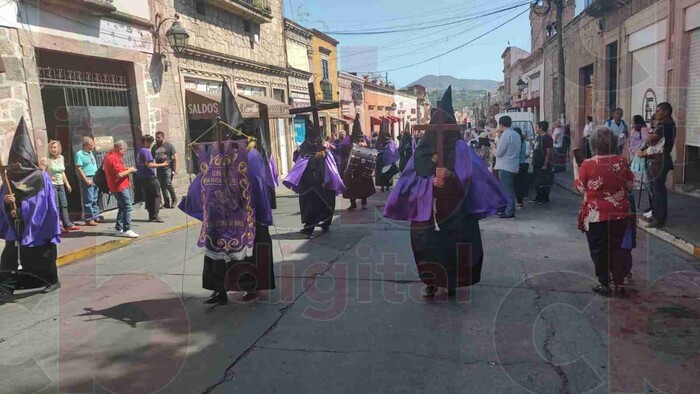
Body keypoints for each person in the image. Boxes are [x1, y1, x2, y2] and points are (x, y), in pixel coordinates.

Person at [384, 87, 508, 297]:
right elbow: (410, 180)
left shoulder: (461, 149)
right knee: (427, 247)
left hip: (456, 211)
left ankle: (452, 281)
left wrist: (451, 176)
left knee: (455, 247)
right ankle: (431, 282)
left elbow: (474, 177)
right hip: (427, 212)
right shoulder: (422, 151)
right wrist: (430, 182)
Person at [179, 136, 275, 305]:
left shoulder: (252, 156)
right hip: (220, 216)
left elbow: (257, 182)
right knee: (216, 256)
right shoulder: (217, 159)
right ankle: (219, 289)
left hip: (247, 216)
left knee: (248, 256)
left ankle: (251, 287)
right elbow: (204, 179)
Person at [0, 118, 62, 296]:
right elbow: (3, 201)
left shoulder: (41, 178)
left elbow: (45, 204)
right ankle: (5, 287)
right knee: (9, 256)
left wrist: (24, 212)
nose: (19, 163)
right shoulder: (8, 179)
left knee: (45, 255)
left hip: (39, 224)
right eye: (16, 159)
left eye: (23, 159)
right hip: (16, 224)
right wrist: (7, 200)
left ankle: (52, 281)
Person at [573, 126, 634, 296]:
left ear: (592, 144)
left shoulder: (588, 164)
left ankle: (604, 283)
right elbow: (630, 185)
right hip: (619, 213)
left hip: (596, 214)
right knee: (617, 248)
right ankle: (620, 283)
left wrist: (575, 168)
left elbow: (580, 188)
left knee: (598, 249)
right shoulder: (622, 161)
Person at [283, 118, 345, 237]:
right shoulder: (310, 146)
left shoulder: (320, 147)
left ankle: (319, 225)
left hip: (320, 180)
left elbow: (325, 162)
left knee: (319, 203)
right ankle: (312, 227)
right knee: (313, 204)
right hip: (310, 181)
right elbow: (300, 160)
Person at [637, 102, 675, 228]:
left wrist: (651, 133)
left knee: (658, 190)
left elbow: (649, 140)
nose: (656, 113)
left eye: (659, 111)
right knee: (654, 189)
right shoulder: (664, 125)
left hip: (659, 160)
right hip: (656, 159)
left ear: (666, 112)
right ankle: (655, 214)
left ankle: (659, 218)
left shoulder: (665, 126)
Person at [103, 141, 139, 238]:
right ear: (120, 149)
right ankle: (127, 229)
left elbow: (118, 170)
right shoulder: (113, 158)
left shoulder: (108, 156)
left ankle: (118, 228)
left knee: (122, 206)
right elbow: (119, 174)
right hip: (119, 187)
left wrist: (127, 168)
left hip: (115, 186)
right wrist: (130, 170)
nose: (125, 153)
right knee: (127, 206)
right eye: (125, 151)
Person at [340, 114, 376, 210]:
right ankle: (353, 203)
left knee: (362, 186)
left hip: (362, 167)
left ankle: (363, 202)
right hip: (352, 168)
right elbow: (342, 148)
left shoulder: (364, 138)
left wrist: (365, 145)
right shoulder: (349, 139)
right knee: (351, 187)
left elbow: (371, 148)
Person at [45, 141, 80, 232]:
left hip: (60, 184)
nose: (53, 149)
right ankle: (58, 225)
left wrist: (67, 184)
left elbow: (62, 171)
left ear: (58, 148)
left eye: (55, 147)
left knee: (64, 204)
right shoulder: (47, 159)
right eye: (51, 147)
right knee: (56, 205)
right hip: (52, 185)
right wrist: (49, 177)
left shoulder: (61, 158)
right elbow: (42, 173)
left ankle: (67, 223)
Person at [135, 135, 168, 223]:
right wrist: (162, 165)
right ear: (145, 142)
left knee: (149, 195)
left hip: (142, 176)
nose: (150, 144)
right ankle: (155, 215)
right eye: (149, 142)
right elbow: (149, 165)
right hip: (149, 176)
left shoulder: (140, 150)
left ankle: (151, 214)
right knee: (156, 195)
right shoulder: (146, 151)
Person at [494, 116, 520, 219]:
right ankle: (509, 208)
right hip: (513, 165)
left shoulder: (505, 135)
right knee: (510, 189)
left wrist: (493, 149)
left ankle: (510, 211)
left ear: (501, 125)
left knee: (507, 190)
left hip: (504, 165)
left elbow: (500, 153)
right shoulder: (516, 134)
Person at [75, 136, 100, 226]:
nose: (93, 146)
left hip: (95, 177)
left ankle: (96, 216)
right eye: (91, 144)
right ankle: (89, 219)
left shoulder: (90, 153)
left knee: (95, 198)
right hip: (88, 177)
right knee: (88, 200)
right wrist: (86, 180)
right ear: (85, 145)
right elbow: (79, 168)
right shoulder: (79, 154)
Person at [152, 131, 178, 209]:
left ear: (163, 137)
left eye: (159, 137)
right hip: (159, 168)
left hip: (168, 168)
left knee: (168, 183)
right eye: (156, 137)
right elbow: (151, 158)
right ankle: (166, 202)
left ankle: (174, 199)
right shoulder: (154, 147)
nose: (157, 139)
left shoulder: (169, 146)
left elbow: (175, 157)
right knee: (162, 186)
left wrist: (176, 168)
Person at [532, 121, 554, 205]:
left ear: (541, 128)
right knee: (537, 181)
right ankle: (538, 197)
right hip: (536, 163)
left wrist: (545, 163)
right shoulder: (538, 137)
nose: (536, 128)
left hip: (543, 163)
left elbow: (549, 151)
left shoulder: (547, 138)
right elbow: (535, 148)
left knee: (544, 181)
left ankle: (544, 198)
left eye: (537, 127)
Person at [375, 119, 400, 192]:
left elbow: (393, 151)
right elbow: (376, 149)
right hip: (381, 160)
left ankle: (387, 186)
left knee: (388, 173)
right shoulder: (380, 141)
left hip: (388, 161)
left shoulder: (391, 143)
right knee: (381, 174)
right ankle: (383, 186)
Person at [513, 127, 530, 209]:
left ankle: (518, 203)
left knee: (516, 185)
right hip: (523, 164)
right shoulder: (524, 142)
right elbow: (527, 153)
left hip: (516, 165)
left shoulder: (517, 142)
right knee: (520, 185)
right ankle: (520, 202)